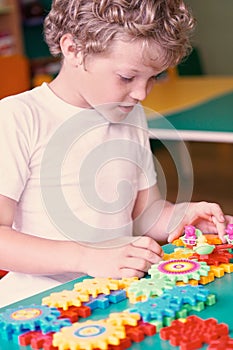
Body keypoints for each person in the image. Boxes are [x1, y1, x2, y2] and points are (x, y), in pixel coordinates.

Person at [0, 0, 232, 308]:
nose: (141, 93)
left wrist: (182, 218)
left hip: (118, 298)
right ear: (73, 49)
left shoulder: (130, 114)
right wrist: (88, 257)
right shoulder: (18, 117)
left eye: (153, 77)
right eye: (127, 77)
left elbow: (144, 214)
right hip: (36, 306)